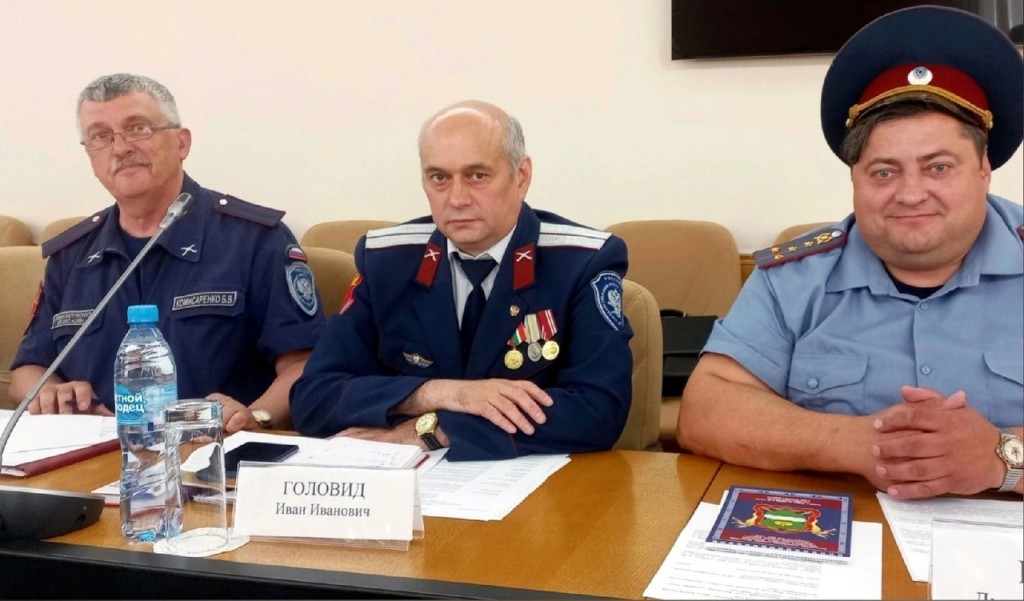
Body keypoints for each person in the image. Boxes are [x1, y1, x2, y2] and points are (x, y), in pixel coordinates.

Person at [676, 6, 1023, 500]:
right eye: (884, 172)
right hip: (837, 529)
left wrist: (1002, 455)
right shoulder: (793, 278)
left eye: (939, 167)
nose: (910, 193)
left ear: (984, 169)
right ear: (855, 178)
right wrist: (854, 442)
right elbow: (707, 409)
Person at [290, 100, 632, 460]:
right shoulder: (386, 261)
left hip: (531, 482)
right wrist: (439, 393)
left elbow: (598, 411)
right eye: (439, 178)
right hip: (409, 481)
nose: (457, 199)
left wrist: (432, 430)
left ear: (521, 176)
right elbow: (314, 399)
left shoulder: (581, 260)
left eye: (477, 176)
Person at [10, 73, 326, 433]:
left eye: (138, 128)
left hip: (212, 452)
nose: (120, 148)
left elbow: (306, 362)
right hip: (89, 452)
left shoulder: (255, 240)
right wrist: (50, 392)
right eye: (100, 136)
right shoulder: (70, 254)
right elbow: (27, 369)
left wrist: (256, 416)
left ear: (181, 142)